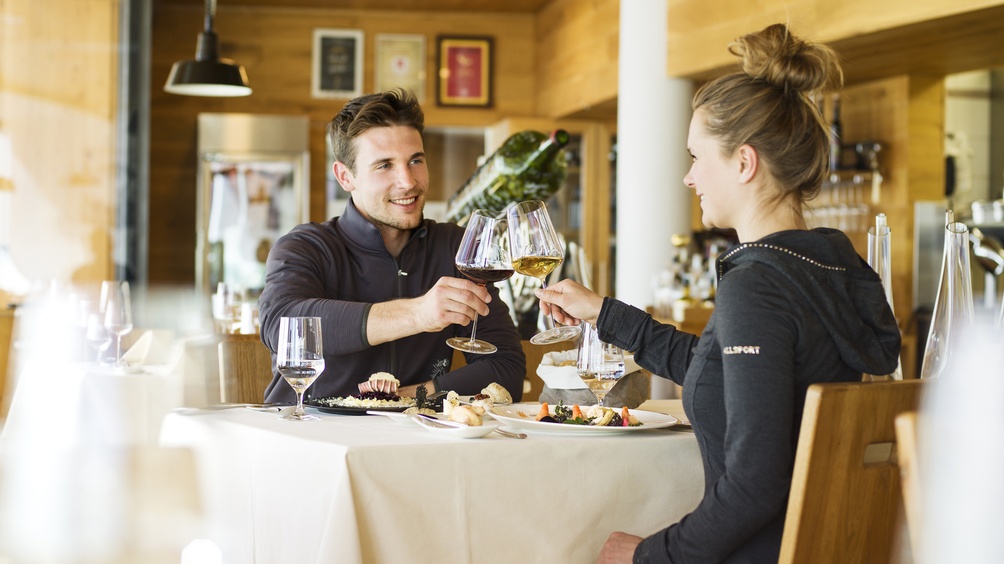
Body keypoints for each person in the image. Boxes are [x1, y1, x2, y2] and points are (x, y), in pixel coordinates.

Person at [535, 24, 901, 563]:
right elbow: (723, 370)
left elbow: (753, 487)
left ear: (744, 163)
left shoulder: (758, 285)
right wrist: (602, 313)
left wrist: (649, 556)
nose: (688, 177)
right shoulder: (828, 263)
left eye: (696, 156)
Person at [257, 89, 525, 403]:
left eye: (415, 161)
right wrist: (419, 314)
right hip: (307, 435)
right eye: (384, 165)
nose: (408, 181)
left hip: (410, 439)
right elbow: (283, 326)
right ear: (346, 177)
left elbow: (506, 368)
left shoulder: (456, 247)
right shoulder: (306, 246)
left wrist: (412, 396)